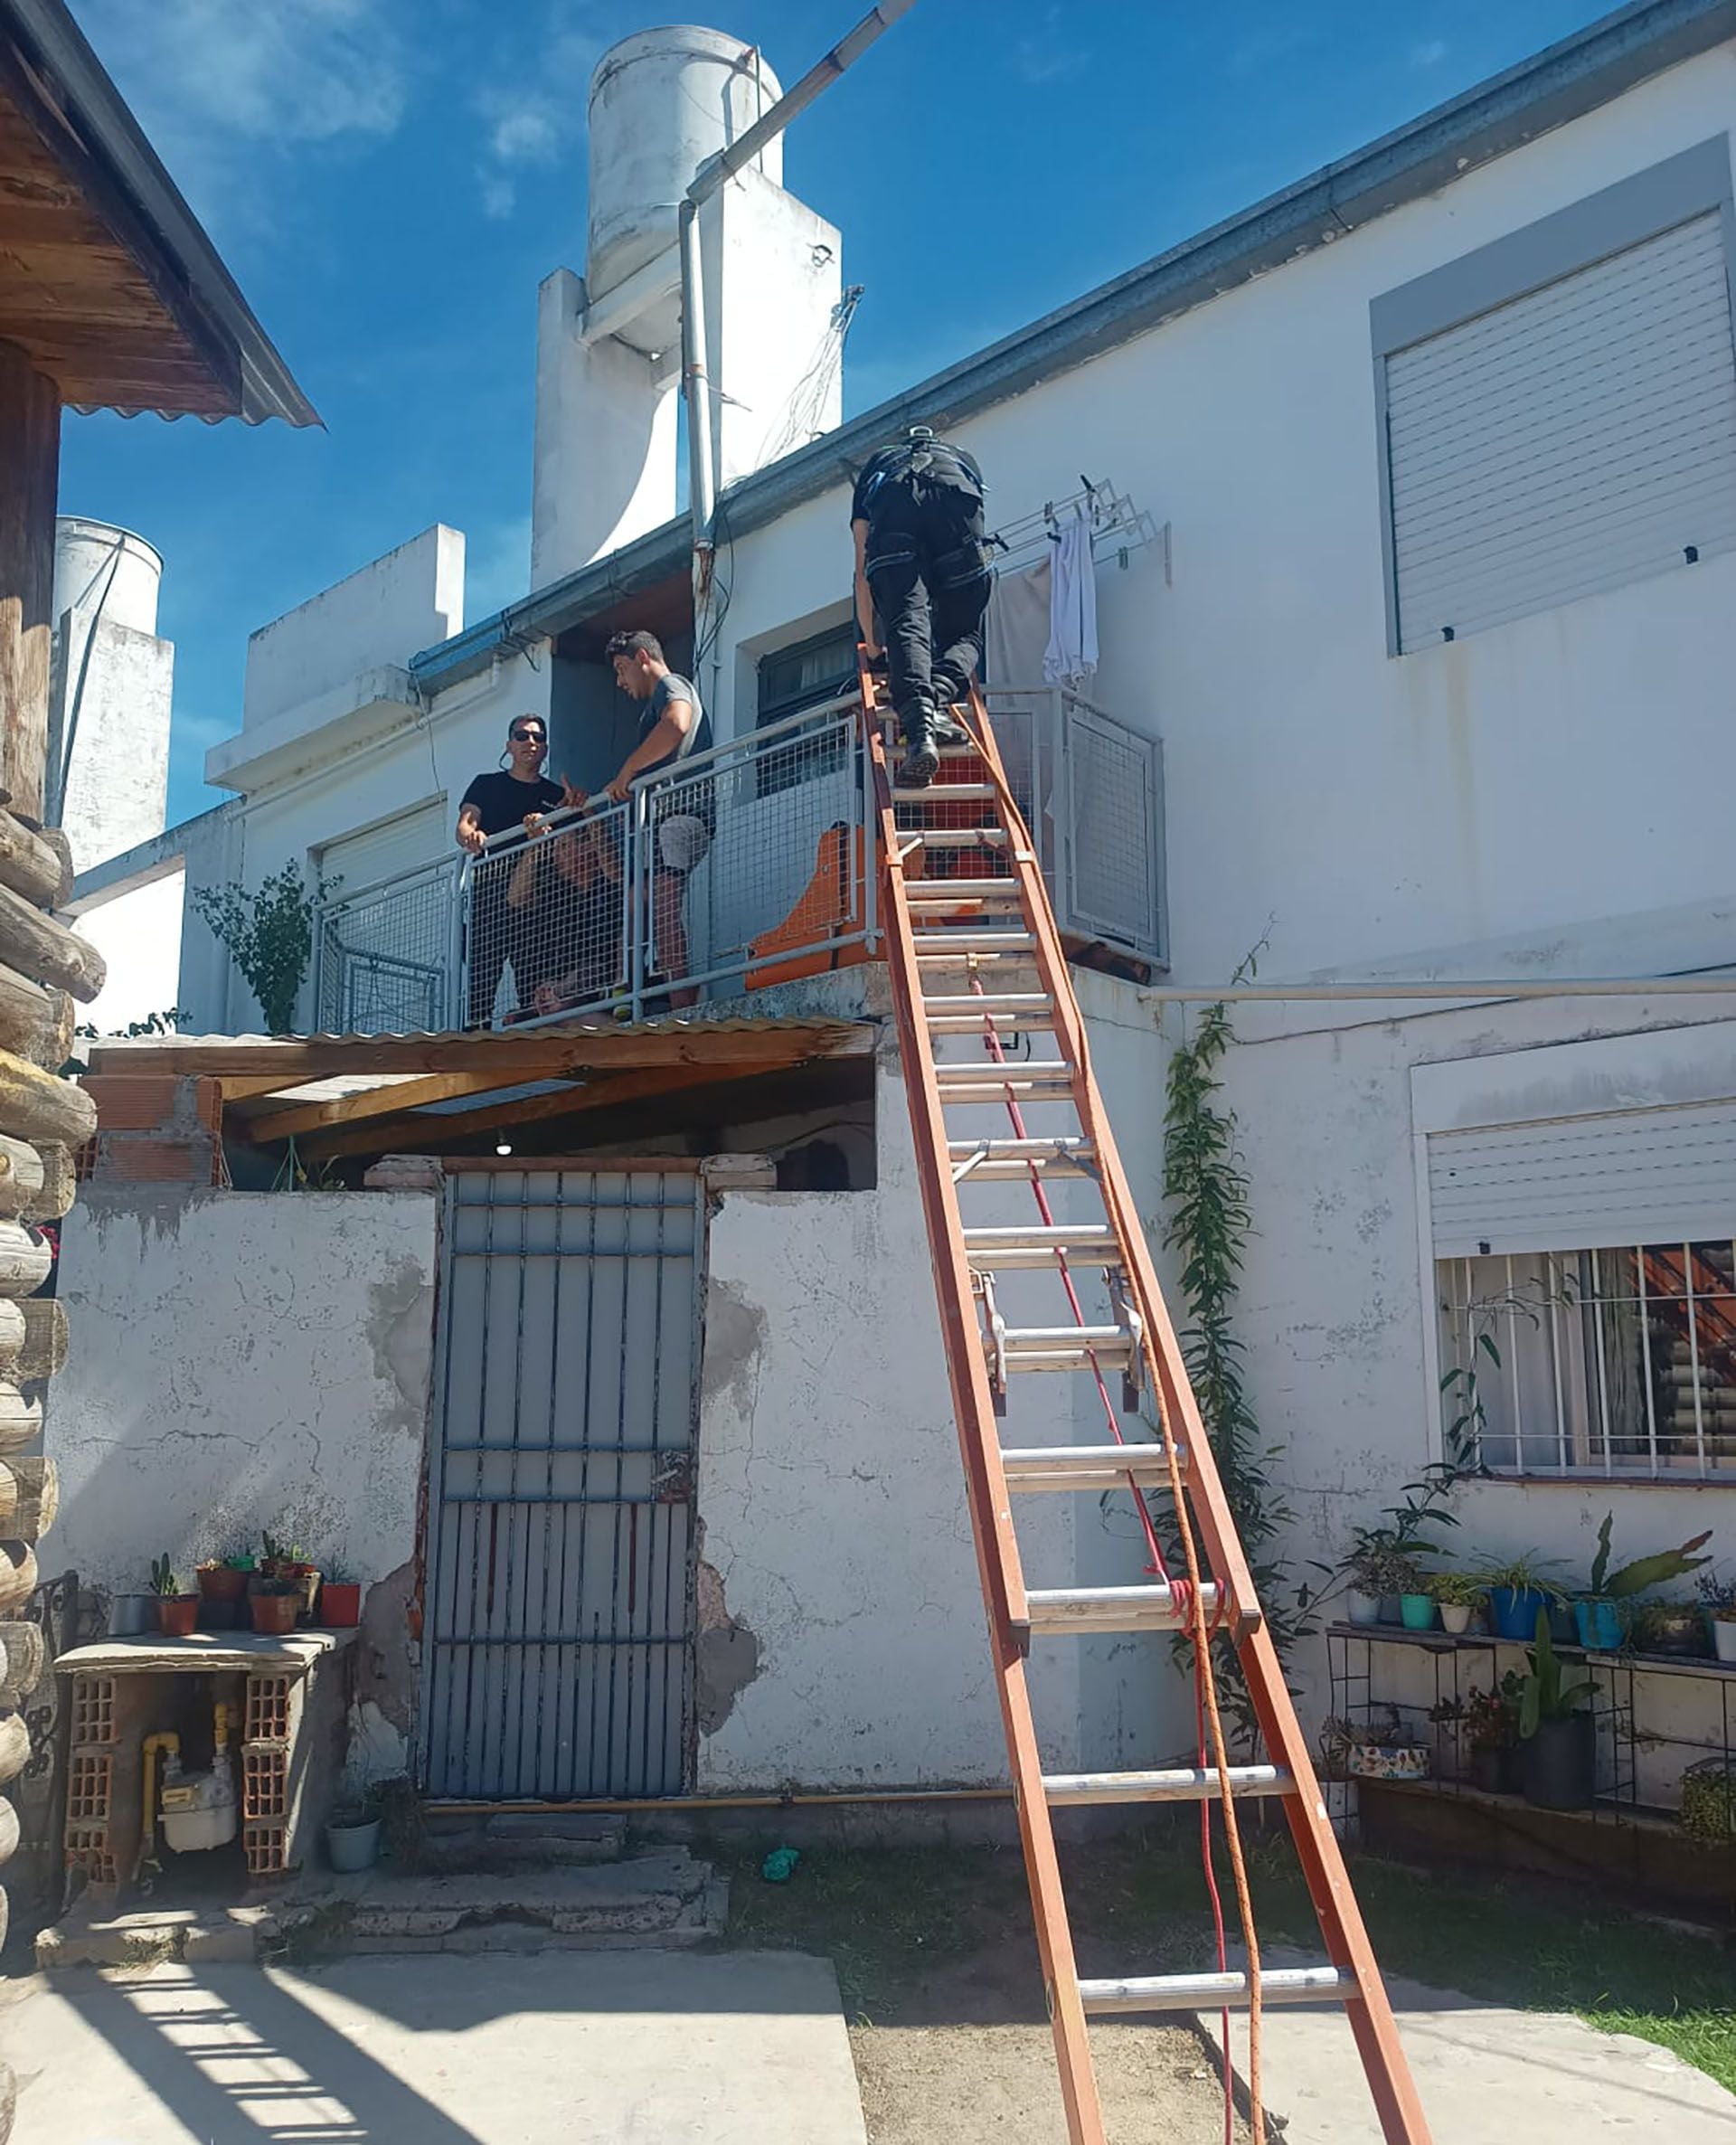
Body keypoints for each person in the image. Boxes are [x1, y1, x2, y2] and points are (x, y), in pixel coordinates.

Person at [851, 425, 993, 787]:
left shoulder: (876, 469)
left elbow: (861, 573)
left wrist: (874, 642)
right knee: (965, 633)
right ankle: (937, 701)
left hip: (895, 503)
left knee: (907, 620)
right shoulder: (963, 460)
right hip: (958, 504)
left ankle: (920, 730)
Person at [602, 629, 713, 1008]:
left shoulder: (671, 685)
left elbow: (677, 724)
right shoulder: (656, 700)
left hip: (680, 817)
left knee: (663, 901)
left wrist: (629, 769)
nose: (619, 682)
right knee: (636, 899)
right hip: (664, 821)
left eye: (621, 669)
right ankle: (627, 992)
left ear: (642, 659)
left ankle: (680, 998)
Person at [455, 714, 570, 1025]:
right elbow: (466, 822)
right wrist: (471, 835)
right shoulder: (487, 784)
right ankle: (473, 1047)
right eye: (522, 736)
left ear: (545, 747)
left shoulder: (556, 795)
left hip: (537, 900)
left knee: (532, 982)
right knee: (482, 981)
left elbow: (573, 841)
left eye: (537, 737)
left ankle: (530, 1048)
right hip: (491, 894)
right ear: (509, 745)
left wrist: (577, 803)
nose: (530, 742)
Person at [506, 812, 625, 1017]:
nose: (556, 856)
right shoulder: (557, 893)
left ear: (588, 846)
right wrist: (535, 844)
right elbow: (516, 899)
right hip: (556, 989)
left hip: (600, 985)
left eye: (563, 847)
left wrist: (589, 812)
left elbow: (615, 873)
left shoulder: (607, 884)